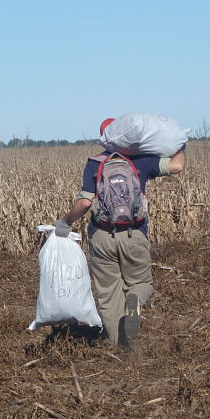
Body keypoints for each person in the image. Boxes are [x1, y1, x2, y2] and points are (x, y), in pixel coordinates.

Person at [53, 118, 186, 348]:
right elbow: (177, 166)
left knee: (108, 295)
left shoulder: (95, 163)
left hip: (102, 237)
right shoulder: (141, 161)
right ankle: (134, 301)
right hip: (135, 235)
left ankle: (120, 348)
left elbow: (85, 203)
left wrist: (64, 222)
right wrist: (181, 144)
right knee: (141, 283)